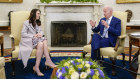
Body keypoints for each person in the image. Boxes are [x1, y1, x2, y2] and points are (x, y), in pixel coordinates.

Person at [18, 9, 56, 76]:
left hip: (36, 40)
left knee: (42, 42)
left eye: (39, 13)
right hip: (28, 41)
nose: (39, 15)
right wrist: (34, 35)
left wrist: (40, 34)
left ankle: (36, 67)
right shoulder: (26, 23)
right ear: (33, 14)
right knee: (43, 41)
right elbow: (23, 34)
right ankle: (48, 60)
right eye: (38, 13)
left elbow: (41, 31)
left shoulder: (37, 22)